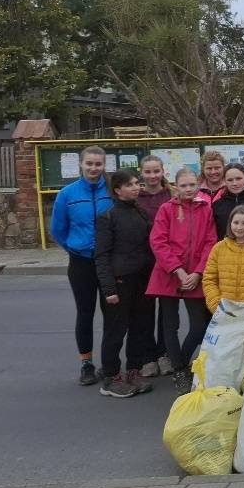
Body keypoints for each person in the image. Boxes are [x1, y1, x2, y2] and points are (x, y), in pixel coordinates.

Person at [146, 167, 218, 394]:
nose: (188, 189)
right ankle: (179, 369)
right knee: (170, 325)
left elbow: (210, 241)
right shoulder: (166, 209)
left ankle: (181, 360)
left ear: (198, 185)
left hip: (195, 274)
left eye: (191, 185)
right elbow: (158, 241)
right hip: (169, 274)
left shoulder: (205, 209)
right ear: (176, 187)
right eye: (183, 185)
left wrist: (197, 272)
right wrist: (178, 270)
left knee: (198, 326)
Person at [50, 145, 113, 386]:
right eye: (89, 164)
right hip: (81, 262)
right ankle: (86, 363)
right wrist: (75, 247)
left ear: (104, 165)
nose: (94, 168)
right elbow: (58, 229)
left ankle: (109, 363)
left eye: (98, 164)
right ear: (81, 164)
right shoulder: (67, 194)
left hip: (107, 262)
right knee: (85, 313)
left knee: (112, 314)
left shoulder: (111, 191)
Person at [94, 169, 155, 398]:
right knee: (115, 331)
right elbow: (101, 255)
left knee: (140, 328)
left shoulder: (139, 212)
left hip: (141, 280)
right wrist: (109, 289)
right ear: (117, 190)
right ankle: (110, 378)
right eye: (130, 184)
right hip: (119, 283)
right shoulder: (107, 216)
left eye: (137, 183)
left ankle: (133, 371)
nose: (137, 187)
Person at [136, 154, 176, 379]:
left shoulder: (172, 195)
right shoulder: (136, 197)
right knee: (144, 311)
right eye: (148, 172)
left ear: (163, 172)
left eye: (156, 171)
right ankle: (147, 357)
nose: (152, 176)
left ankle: (164, 354)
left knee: (167, 313)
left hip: (166, 261)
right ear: (142, 173)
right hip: (143, 261)